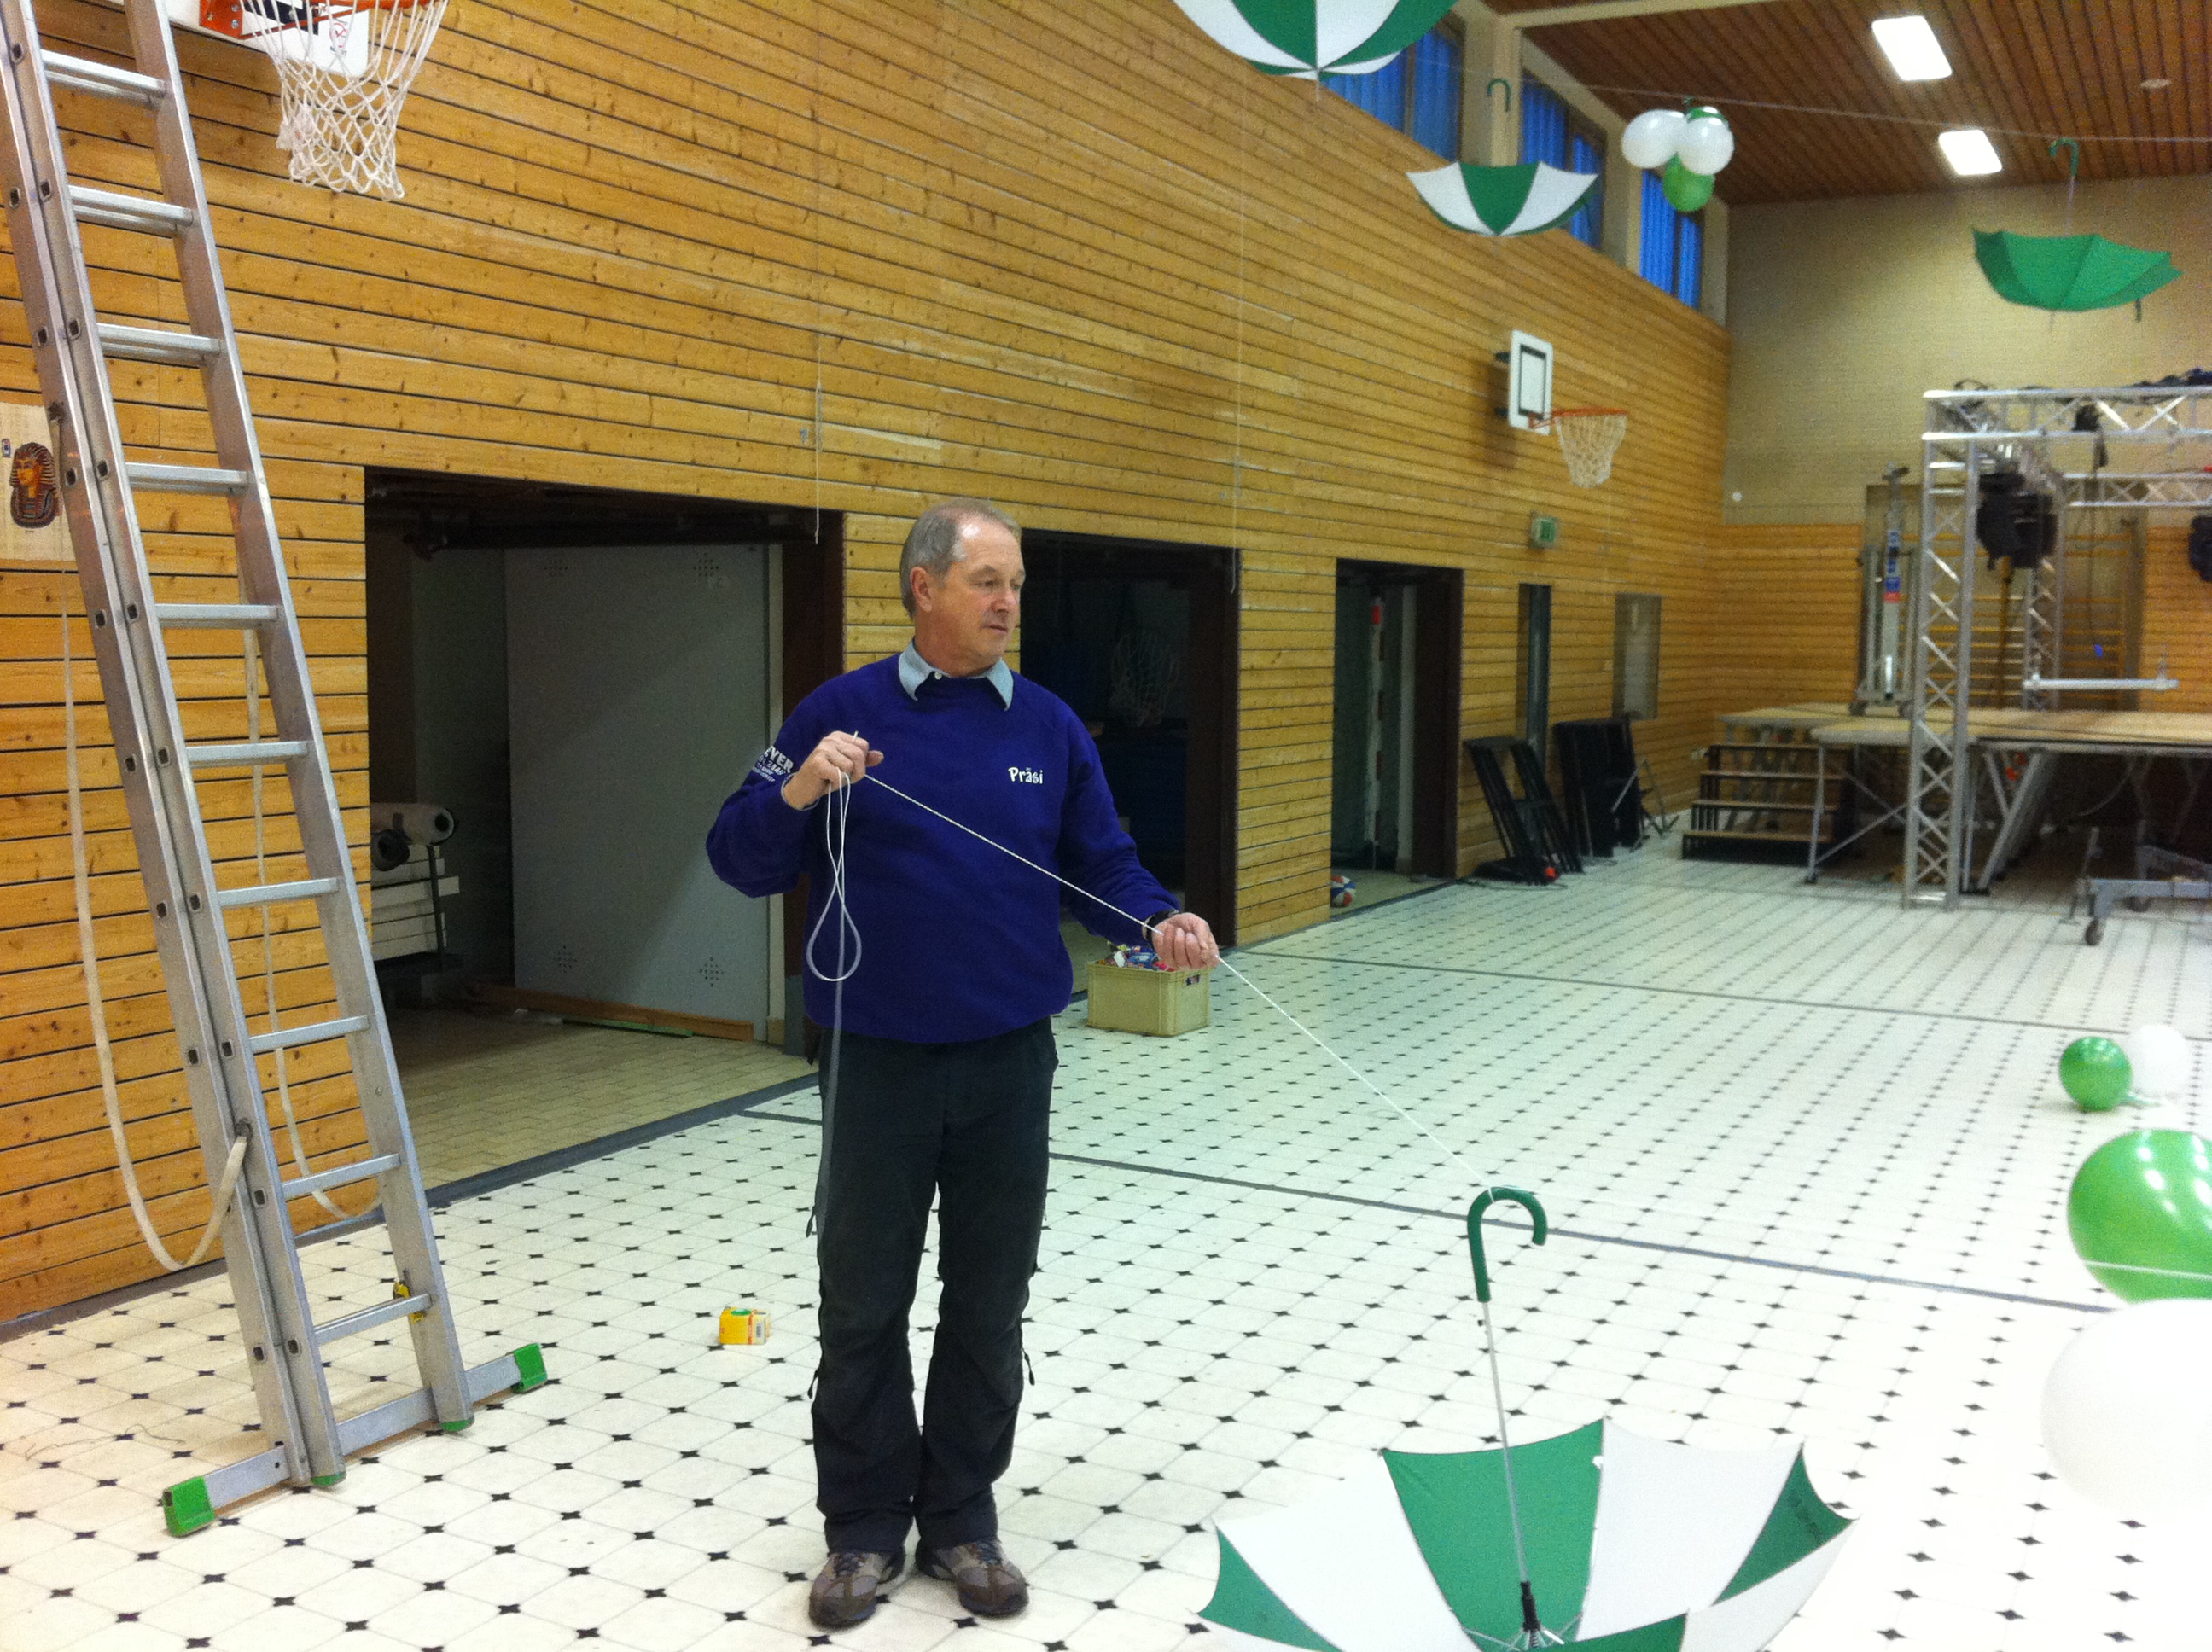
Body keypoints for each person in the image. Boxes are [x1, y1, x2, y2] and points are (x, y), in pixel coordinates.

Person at [706, 498, 1220, 1630]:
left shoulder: (1050, 726)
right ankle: (861, 1530)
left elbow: (1105, 864)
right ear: (924, 587)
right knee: (863, 1302)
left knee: (990, 1300)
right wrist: (799, 789)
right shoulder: (838, 713)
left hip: (1008, 1059)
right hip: (875, 1060)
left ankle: (961, 1519)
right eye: (988, 581)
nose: (1008, 604)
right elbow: (738, 858)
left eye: (1017, 584)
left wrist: (1162, 918)